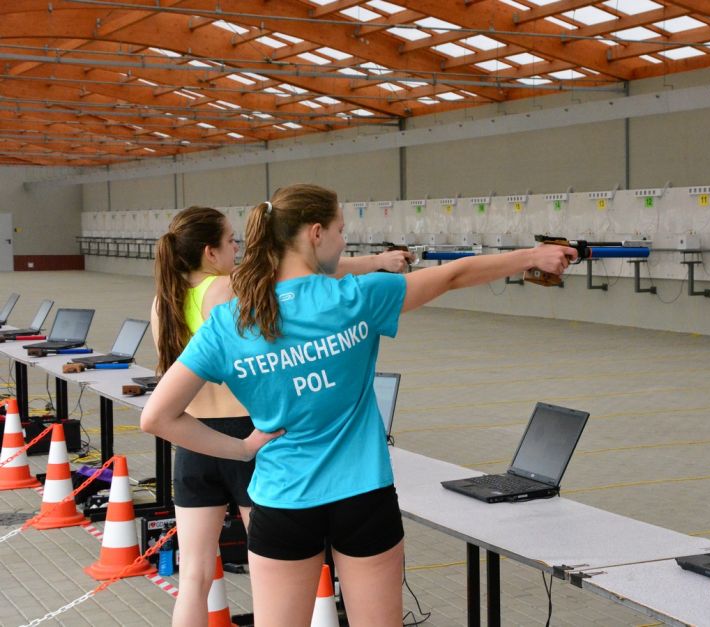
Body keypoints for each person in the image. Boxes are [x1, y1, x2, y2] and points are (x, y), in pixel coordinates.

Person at [141, 184, 575, 627]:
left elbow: (156, 417)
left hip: (283, 499)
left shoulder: (229, 323)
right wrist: (532, 256)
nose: (344, 241)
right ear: (315, 233)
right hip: (363, 496)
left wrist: (243, 449)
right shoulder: (357, 297)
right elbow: (452, 276)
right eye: (341, 230)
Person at [151, 205, 412, 627]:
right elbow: (313, 273)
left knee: (195, 575)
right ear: (210, 253)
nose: (238, 249)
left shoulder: (163, 301)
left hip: (194, 442)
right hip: (246, 439)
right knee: (279, 573)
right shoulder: (227, 289)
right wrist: (379, 262)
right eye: (230, 242)